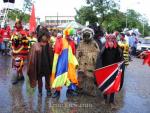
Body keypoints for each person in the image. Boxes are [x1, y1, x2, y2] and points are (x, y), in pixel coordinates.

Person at [96, 34, 124, 108]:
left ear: (114, 42)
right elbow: (99, 59)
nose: (110, 43)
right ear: (107, 42)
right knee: (105, 84)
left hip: (114, 71)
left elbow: (121, 61)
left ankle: (111, 101)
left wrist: (119, 68)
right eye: (109, 41)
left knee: (113, 85)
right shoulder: (104, 49)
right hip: (105, 70)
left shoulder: (118, 50)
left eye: (112, 41)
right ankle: (105, 98)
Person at [51, 27, 78, 98]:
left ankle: (70, 90)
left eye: (70, 35)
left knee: (71, 76)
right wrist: (58, 39)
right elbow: (56, 50)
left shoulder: (72, 42)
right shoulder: (61, 40)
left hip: (70, 63)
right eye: (68, 35)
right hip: (61, 62)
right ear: (65, 34)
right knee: (59, 75)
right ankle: (57, 91)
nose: (69, 36)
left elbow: (74, 52)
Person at [27, 26, 54, 96]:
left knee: (47, 79)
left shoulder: (49, 45)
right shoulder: (35, 45)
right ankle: (40, 91)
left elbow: (52, 56)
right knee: (39, 79)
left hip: (47, 65)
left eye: (46, 36)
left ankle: (48, 90)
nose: (44, 37)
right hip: (39, 65)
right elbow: (31, 57)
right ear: (40, 36)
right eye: (43, 36)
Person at [76, 27, 100, 96]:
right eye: (85, 35)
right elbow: (77, 51)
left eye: (87, 35)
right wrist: (78, 54)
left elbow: (97, 52)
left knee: (90, 78)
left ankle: (91, 91)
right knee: (80, 77)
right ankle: (80, 89)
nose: (86, 36)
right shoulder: (81, 43)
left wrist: (91, 55)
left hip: (90, 64)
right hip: (82, 63)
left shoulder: (94, 43)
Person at [11, 19, 29, 84]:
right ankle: (21, 76)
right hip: (15, 51)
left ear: (20, 24)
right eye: (16, 23)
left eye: (19, 23)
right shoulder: (14, 32)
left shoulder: (23, 32)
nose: (17, 25)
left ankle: (16, 78)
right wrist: (12, 48)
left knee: (18, 64)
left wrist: (21, 37)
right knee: (16, 64)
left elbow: (26, 42)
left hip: (21, 51)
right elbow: (12, 42)